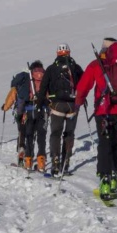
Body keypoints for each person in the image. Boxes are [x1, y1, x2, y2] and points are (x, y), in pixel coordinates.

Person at [76, 39, 117, 201]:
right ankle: (114, 178)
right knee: (116, 142)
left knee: (105, 143)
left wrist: (78, 102)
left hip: (103, 112)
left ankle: (104, 180)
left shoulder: (96, 64)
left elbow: (83, 86)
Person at [39, 43, 84, 176]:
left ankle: (55, 161)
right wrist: (82, 98)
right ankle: (66, 162)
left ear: (57, 54)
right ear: (69, 53)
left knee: (55, 133)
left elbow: (43, 88)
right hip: (72, 105)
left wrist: (43, 102)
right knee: (69, 134)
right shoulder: (75, 67)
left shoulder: (51, 68)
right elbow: (84, 83)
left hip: (57, 105)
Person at [2, 63, 36, 167]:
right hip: (32, 110)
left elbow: (11, 98)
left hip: (20, 111)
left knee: (21, 131)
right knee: (31, 132)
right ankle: (30, 155)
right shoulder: (34, 83)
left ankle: (21, 149)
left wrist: (5, 107)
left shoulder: (17, 85)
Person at [19, 60, 48, 172]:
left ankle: (28, 161)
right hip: (43, 109)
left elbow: (22, 94)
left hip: (29, 109)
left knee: (29, 135)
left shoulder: (29, 77)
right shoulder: (45, 74)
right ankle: (41, 163)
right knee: (41, 137)